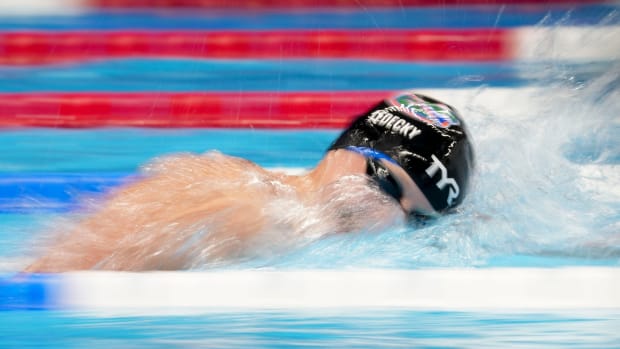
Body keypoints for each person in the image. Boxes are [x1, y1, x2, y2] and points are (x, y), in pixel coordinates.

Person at [25, 91, 474, 272]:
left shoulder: (304, 238)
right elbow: (52, 276)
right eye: (388, 186)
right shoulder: (233, 201)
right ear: (344, 150)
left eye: (417, 220)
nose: (388, 221)